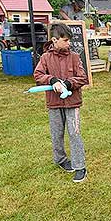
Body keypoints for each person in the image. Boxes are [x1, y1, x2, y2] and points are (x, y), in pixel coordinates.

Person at [33, 23, 89, 182]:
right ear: (54, 40)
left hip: (73, 103)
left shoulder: (75, 57)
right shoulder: (45, 58)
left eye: (69, 40)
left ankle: (80, 166)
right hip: (54, 103)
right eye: (65, 40)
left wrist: (69, 84)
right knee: (56, 133)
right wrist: (53, 80)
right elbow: (38, 75)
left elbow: (82, 77)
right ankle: (61, 160)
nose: (69, 43)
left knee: (74, 133)